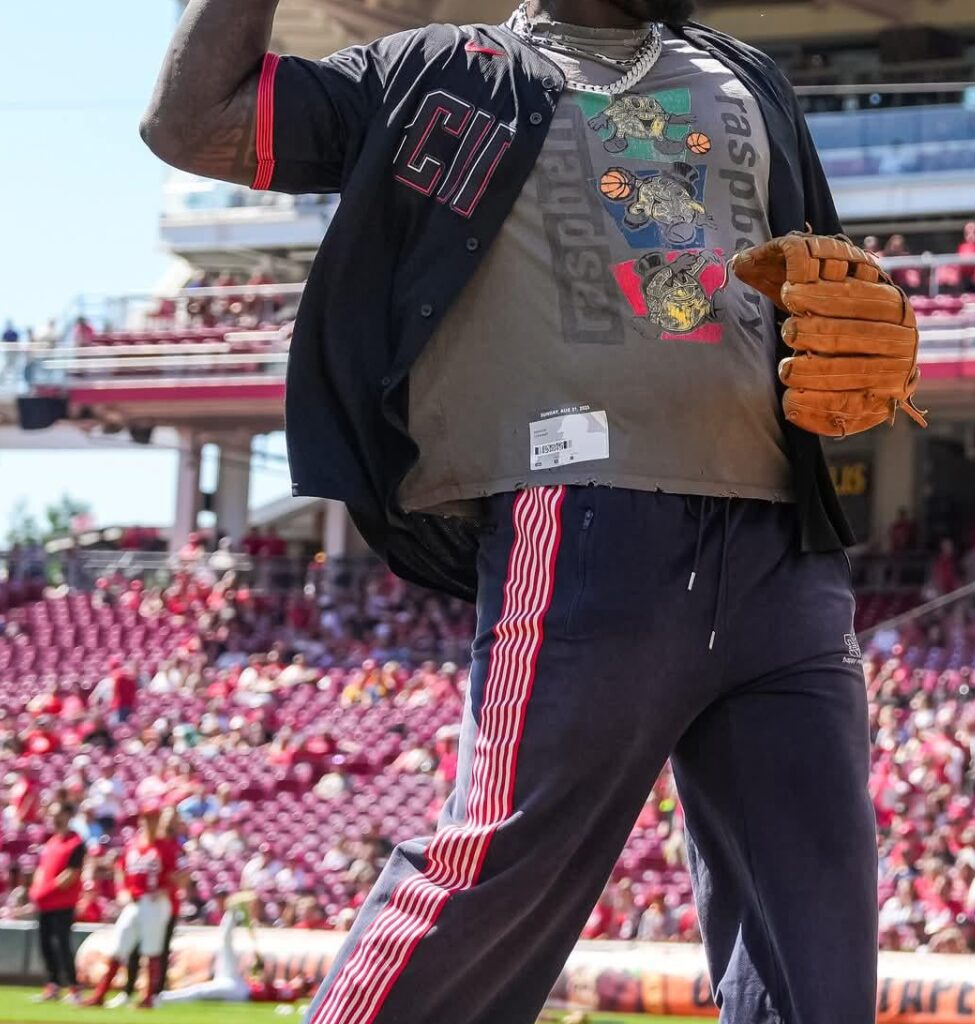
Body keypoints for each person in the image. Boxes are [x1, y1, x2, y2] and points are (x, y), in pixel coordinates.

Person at [138, 0, 891, 1020]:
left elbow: (823, 292)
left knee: (820, 936)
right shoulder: (438, 72)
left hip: (784, 545)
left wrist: (876, 326)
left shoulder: (747, 78)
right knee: (494, 874)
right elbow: (191, 122)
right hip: (583, 520)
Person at [85, 807, 180, 1009]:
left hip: (154, 903)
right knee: (119, 946)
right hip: (134, 902)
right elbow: (120, 868)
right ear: (141, 821)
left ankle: (148, 997)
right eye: (147, 819)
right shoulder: (134, 845)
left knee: (152, 950)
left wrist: (165, 889)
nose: (150, 823)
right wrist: (121, 890)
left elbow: (177, 876)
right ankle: (100, 994)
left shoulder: (166, 846)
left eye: (154, 819)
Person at [159, 893, 310, 1005]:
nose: (298, 980)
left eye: (302, 982)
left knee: (200, 992)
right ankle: (232, 913)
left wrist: (263, 975)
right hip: (239, 983)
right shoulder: (286, 986)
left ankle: (164, 998)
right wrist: (259, 969)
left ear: (303, 989)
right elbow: (262, 982)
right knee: (225, 945)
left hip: (241, 992)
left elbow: (264, 990)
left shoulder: (292, 993)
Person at [29, 802, 87, 1002]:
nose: (53, 818)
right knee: (45, 945)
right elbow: (42, 870)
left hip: (63, 903)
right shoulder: (51, 841)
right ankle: (52, 985)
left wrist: (44, 891)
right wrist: (35, 890)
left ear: (68, 815)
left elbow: (70, 875)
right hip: (45, 905)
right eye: (52, 814)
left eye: (57, 814)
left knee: (62, 945)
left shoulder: (76, 843)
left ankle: (74, 987)